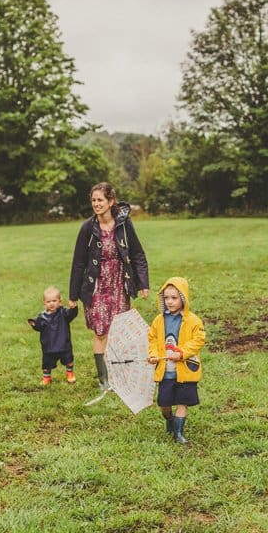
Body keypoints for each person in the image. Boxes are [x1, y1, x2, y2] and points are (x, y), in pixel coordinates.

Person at [69, 182, 150, 392]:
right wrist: (72, 294)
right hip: (96, 286)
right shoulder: (88, 227)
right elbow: (78, 262)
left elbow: (138, 254)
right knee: (101, 332)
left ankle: (118, 373)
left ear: (110, 201)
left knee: (119, 330)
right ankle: (104, 380)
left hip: (119, 284)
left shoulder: (124, 224)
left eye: (100, 200)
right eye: (94, 200)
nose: (96, 204)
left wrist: (142, 283)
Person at [147, 277, 206, 444]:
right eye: (166, 298)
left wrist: (181, 353)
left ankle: (178, 434)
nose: (170, 302)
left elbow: (198, 340)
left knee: (182, 402)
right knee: (164, 404)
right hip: (166, 371)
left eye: (174, 298)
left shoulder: (193, 320)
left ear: (183, 298)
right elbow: (152, 339)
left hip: (185, 371)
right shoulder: (159, 321)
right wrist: (153, 354)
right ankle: (169, 420)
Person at [28, 286, 78, 386]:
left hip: (64, 344)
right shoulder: (42, 317)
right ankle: (46, 378)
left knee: (68, 360)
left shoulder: (63, 313)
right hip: (49, 346)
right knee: (47, 364)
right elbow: (39, 327)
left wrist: (73, 308)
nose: (51, 303)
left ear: (60, 301)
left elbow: (71, 315)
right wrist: (34, 324)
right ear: (44, 303)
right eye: (48, 301)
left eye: (54, 301)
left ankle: (70, 373)